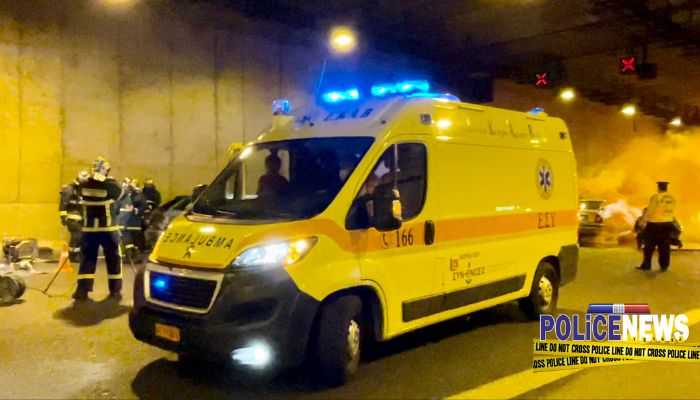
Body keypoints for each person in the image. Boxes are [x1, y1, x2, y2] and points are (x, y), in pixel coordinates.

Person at [72, 157, 123, 301]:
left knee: (87, 260)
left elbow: (78, 190)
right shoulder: (111, 185)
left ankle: (82, 291)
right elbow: (119, 194)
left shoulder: (84, 185)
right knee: (113, 260)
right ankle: (115, 290)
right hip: (108, 229)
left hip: (89, 230)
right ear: (105, 170)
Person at [637, 181, 677, 271]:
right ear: (666, 188)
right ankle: (664, 266)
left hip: (654, 224)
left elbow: (650, 210)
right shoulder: (672, 198)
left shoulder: (656, 197)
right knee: (664, 246)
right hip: (668, 223)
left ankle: (646, 265)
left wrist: (643, 221)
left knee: (649, 246)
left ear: (658, 188)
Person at [59, 170, 89, 262]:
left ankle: (75, 255)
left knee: (80, 236)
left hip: (80, 219)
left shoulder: (82, 190)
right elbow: (63, 205)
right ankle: (73, 256)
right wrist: (63, 218)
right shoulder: (70, 189)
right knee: (77, 236)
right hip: (72, 218)